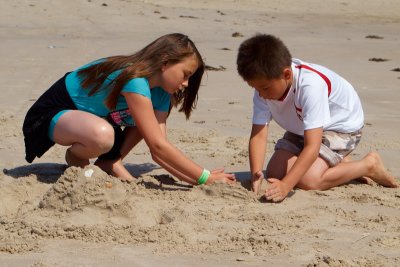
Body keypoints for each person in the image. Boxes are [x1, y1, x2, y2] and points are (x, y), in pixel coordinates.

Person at [23, 33, 236, 186]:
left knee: (143, 122)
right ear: (165, 63)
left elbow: (159, 149)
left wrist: (194, 180)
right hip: (52, 114)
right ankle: (77, 157)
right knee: (102, 135)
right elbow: (158, 146)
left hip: (94, 119)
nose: (187, 84)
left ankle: (110, 160)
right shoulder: (135, 80)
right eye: (185, 74)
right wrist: (204, 176)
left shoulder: (162, 94)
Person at [236, 34, 398, 202]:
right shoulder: (263, 89)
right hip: (304, 127)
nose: (261, 94)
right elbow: (259, 135)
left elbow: (312, 146)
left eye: (265, 88)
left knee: (309, 180)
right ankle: (339, 165)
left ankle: (368, 165)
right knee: (275, 171)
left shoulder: (310, 85)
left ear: (286, 74)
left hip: (341, 128)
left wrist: (286, 186)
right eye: (255, 88)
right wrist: (256, 173)